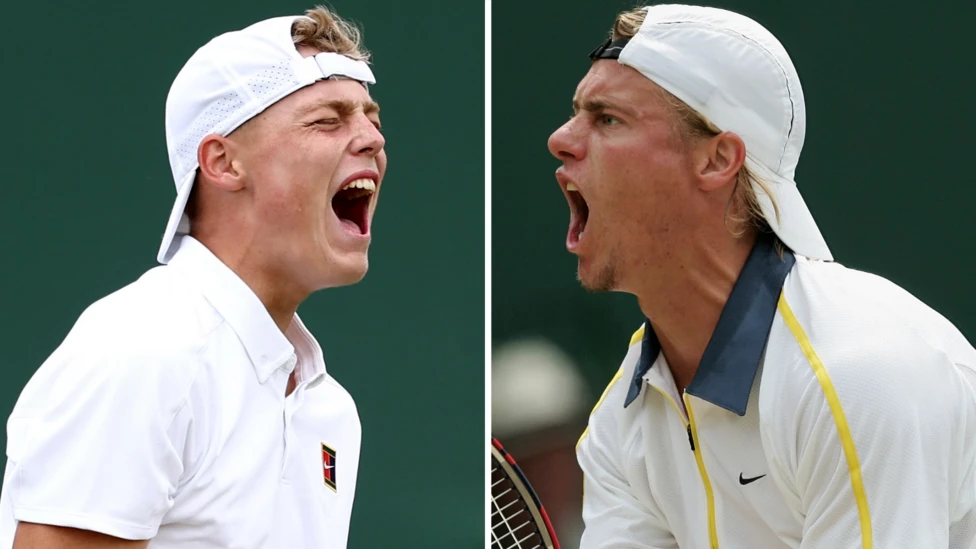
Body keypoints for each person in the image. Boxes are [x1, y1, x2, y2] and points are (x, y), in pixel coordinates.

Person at [547, 4, 976, 548]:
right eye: (577, 113)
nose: (560, 138)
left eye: (608, 119)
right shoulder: (623, 421)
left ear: (717, 159)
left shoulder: (859, 376)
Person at [0, 6, 385, 548]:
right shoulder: (144, 351)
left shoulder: (330, 412)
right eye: (327, 120)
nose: (371, 138)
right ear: (223, 162)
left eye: (373, 119)